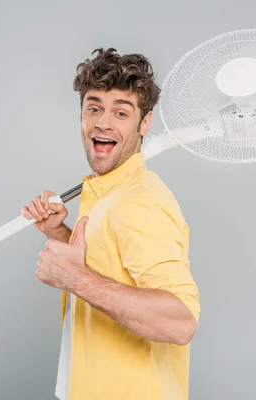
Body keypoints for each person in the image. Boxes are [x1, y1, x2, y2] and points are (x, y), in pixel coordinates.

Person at [21, 48, 201, 400]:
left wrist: (73, 277)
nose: (103, 122)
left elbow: (181, 321)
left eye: (121, 111)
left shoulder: (138, 200)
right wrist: (59, 233)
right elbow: (111, 267)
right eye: (94, 108)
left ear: (145, 123)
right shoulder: (106, 189)